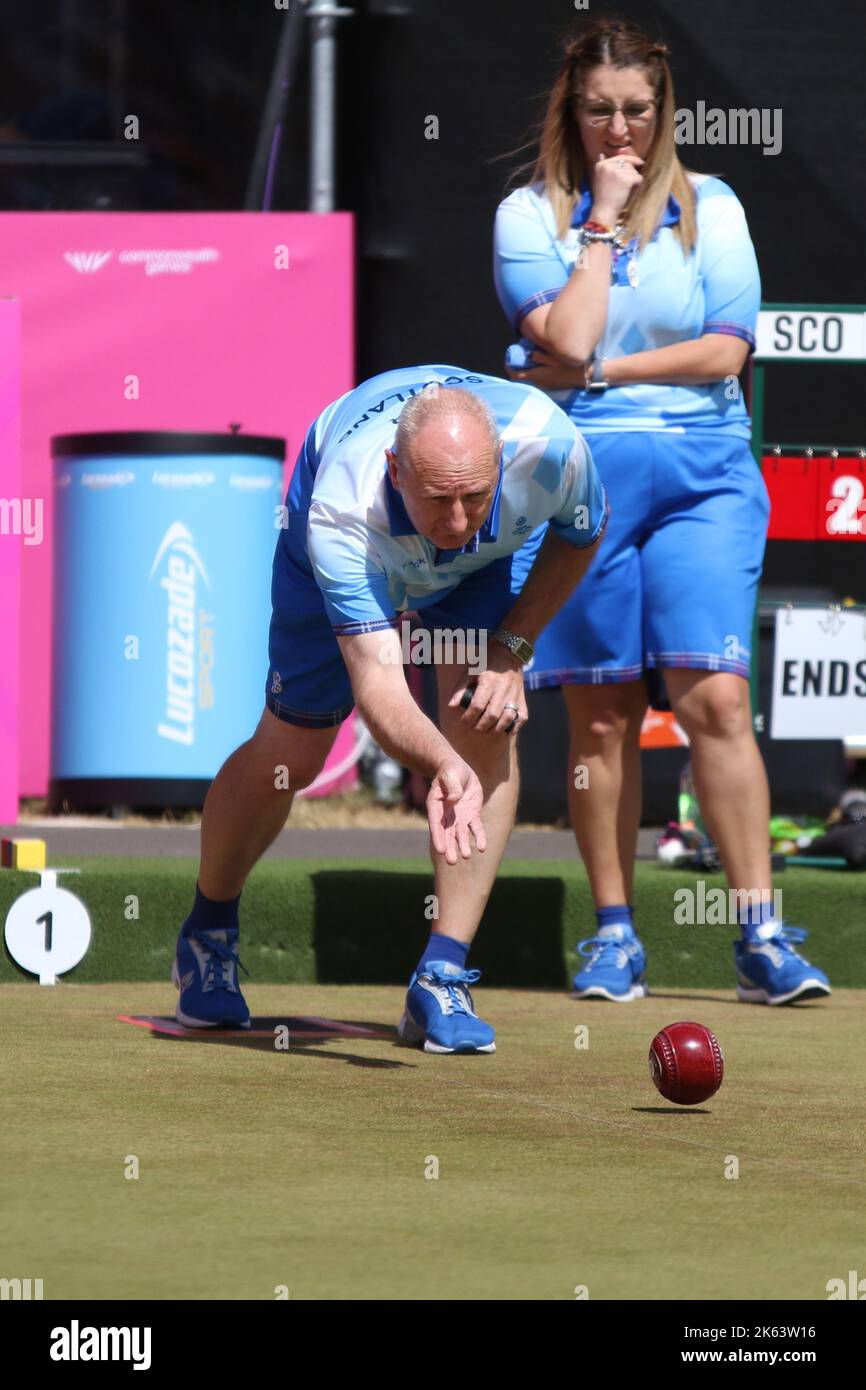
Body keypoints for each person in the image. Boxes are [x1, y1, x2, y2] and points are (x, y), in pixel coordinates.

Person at [493, 17, 830, 1006]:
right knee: (596, 717)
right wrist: (598, 221)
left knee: (714, 698)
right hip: (577, 481)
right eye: (597, 110)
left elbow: (723, 353)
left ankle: (758, 935)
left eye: (635, 110)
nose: (616, 129)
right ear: (570, 109)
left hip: (703, 471)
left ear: (663, 110)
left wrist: (596, 367)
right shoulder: (528, 217)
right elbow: (557, 325)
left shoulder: (711, 207)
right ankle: (612, 936)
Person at [172, 366, 607, 1052]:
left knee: (483, 723)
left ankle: (442, 975)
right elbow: (378, 681)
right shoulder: (341, 510)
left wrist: (513, 646)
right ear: (396, 471)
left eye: (476, 496)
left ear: (501, 467)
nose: (458, 521)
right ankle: (208, 932)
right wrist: (438, 760)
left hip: (475, 578)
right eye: (439, 499)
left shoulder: (551, 450)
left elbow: (582, 536)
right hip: (363, 554)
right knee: (293, 756)